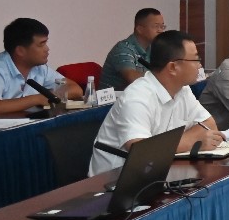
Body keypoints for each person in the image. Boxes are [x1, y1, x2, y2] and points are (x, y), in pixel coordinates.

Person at [90, 30, 222, 175]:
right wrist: (193, 141)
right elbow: (141, 152)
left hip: (156, 171)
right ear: (173, 67)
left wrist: (171, 144)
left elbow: (209, 125)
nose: (199, 66)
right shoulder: (137, 97)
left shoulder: (183, 90)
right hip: (113, 179)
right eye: (195, 60)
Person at [0, 17, 80, 120]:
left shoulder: (39, 68)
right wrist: (37, 99)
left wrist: (50, 96)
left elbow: (75, 89)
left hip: (15, 127)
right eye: (41, 44)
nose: (47, 49)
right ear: (20, 51)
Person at [101, 7, 165, 90]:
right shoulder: (123, 48)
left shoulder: (153, 49)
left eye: (162, 27)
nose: (160, 31)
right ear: (140, 29)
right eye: (156, 26)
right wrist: (162, 76)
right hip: (114, 97)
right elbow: (132, 78)